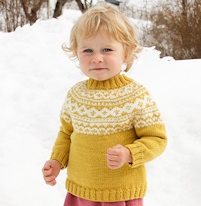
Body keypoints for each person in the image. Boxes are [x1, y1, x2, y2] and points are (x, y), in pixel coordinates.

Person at [42, 5, 167, 206]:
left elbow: (157, 139)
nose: (97, 58)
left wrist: (129, 153)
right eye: (88, 50)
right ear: (76, 52)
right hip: (80, 192)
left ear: (126, 53)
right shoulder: (75, 95)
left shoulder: (135, 95)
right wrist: (57, 161)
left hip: (119, 194)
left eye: (107, 49)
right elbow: (66, 134)